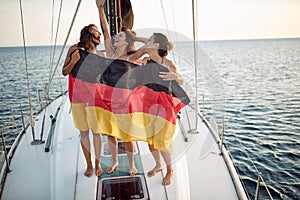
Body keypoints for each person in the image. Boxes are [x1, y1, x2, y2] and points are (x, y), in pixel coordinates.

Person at [96, 0, 146, 176]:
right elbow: (105, 29)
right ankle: (115, 161)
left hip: (126, 101)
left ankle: (132, 164)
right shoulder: (110, 52)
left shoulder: (132, 56)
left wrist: (136, 37)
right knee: (111, 133)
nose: (117, 37)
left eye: (121, 36)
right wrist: (100, 8)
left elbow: (151, 44)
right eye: (117, 37)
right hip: (109, 99)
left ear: (127, 41)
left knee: (127, 135)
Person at [137, 33, 183, 185]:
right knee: (151, 141)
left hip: (164, 105)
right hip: (148, 104)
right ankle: (158, 164)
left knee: (162, 140)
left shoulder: (168, 63)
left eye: (149, 40)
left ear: (156, 45)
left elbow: (181, 81)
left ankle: (170, 170)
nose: (146, 42)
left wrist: (175, 77)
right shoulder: (145, 61)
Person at [62, 24, 104, 177]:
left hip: (93, 99)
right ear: (88, 34)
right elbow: (64, 72)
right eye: (96, 32)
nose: (99, 34)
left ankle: (98, 164)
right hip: (77, 98)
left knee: (96, 132)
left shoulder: (99, 55)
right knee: (84, 133)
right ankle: (89, 164)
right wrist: (73, 62)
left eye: (99, 32)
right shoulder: (73, 49)